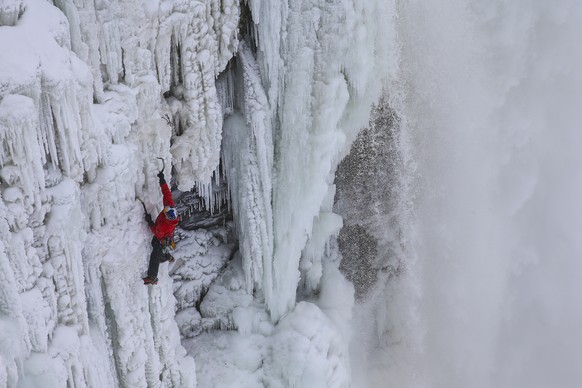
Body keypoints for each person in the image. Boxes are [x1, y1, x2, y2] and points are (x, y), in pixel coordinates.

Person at [142, 170, 179, 285]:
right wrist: (162, 180)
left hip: (162, 237)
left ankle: (152, 277)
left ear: (168, 217)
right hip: (166, 236)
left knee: (155, 253)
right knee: (156, 246)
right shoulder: (170, 208)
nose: (164, 209)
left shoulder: (165, 225)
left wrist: (150, 222)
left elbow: (156, 232)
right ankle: (166, 256)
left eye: (165, 212)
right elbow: (167, 194)